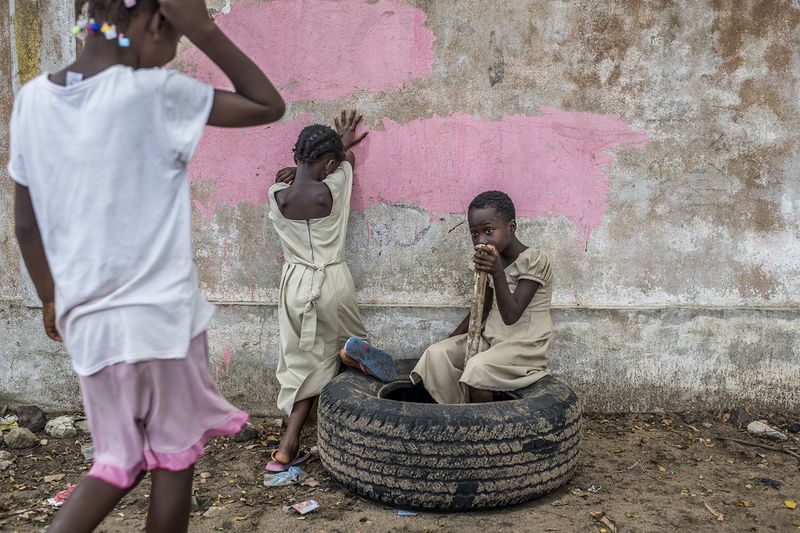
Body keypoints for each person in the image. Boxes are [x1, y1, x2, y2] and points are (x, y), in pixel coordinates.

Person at [9, 0, 285, 531]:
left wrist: (51, 298)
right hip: (162, 322)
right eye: (176, 38)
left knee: (116, 463)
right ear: (157, 21)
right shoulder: (154, 94)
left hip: (88, 324)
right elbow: (265, 104)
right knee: (172, 461)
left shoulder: (32, 101)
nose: (173, 52)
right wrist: (204, 28)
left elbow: (26, 227)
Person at [267, 110, 398, 472]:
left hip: (294, 286)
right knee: (344, 347)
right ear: (328, 164)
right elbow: (347, 159)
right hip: (333, 281)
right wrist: (342, 145)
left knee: (299, 366)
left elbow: (305, 175)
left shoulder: (276, 194)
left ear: (296, 158)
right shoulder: (336, 186)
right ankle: (345, 359)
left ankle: (287, 447)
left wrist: (300, 172)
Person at [410, 190, 553, 404]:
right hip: (491, 340)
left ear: (511, 228)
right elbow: (482, 308)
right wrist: (453, 337)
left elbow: (511, 315)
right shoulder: (486, 261)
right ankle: (459, 414)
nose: (480, 240)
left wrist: (497, 273)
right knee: (436, 354)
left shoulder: (534, 260)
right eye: (474, 234)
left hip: (524, 347)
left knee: (478, 368)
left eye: (488, 231)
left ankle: (483, 431)